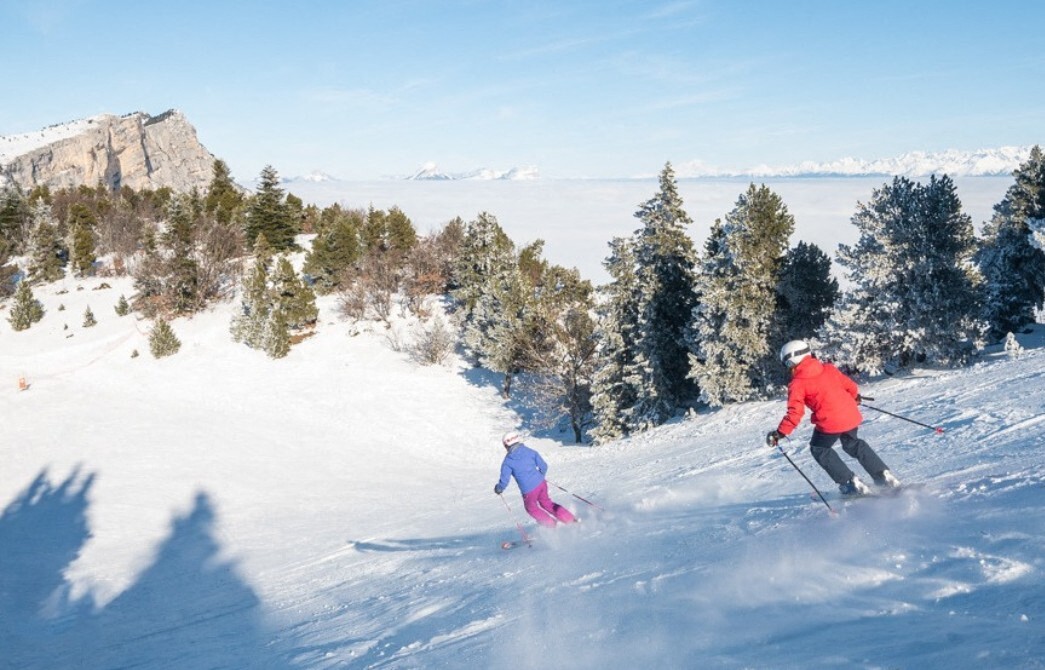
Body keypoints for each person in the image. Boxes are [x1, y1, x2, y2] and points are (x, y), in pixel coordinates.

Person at [766, 340, 901, 496]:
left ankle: (850, 483)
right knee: (852, 443)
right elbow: (850, 386)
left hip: (829, 423)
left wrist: (780, 433)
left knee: (819, 449)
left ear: (792, 361)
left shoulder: (797, 384)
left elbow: (795, 413)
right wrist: (854, 397)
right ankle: (883, 476)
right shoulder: (828, 369)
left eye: (788, 364)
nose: (789, 368)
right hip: (850, 415)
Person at [494, 431, 577, 527]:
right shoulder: (530, 451)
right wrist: (539, 477)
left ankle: (552, 525)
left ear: (506, 445)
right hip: (541, 484)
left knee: (531, 508)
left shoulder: (508, 461)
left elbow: (504, 480)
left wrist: (499, 488)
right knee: (547, 503)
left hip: (528, 491)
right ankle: (570, 519)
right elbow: (544, 466)